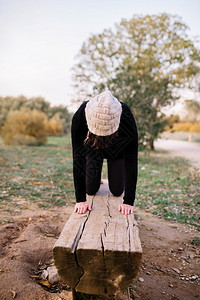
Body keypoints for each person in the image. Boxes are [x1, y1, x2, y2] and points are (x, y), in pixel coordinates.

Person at [71, 90, 138, 215]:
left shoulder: (126, 115)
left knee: (117, 191)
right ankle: (98, 174)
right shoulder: (80, 115)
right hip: (93, 150)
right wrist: (80, 200)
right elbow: (78, 157)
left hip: (117, 152)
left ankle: (108, 171)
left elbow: (131, 159)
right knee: (90, 190)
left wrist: (128, 201)